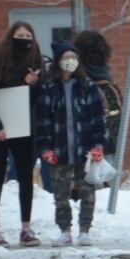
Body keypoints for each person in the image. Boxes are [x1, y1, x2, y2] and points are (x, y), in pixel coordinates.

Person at [0, 21, 43, 248]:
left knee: (26, 177)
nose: (24, 39)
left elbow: (35, 101)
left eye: (28, 35)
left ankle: (26, 228)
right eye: (19, 35)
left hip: (23, 129)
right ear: (10, 36)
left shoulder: (34, 61)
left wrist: (32, 85)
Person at [36, 41, 106, 247]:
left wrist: (98, 146)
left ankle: (85, 230)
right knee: (60, 194)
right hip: (58, 151)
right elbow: (42, 122)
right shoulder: (49, 88)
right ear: (58, 61)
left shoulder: (88, 86)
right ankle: (65, 230)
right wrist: (44, 148)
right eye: (66, 58)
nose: (70, 62)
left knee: (88, 192)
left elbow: (98, 119)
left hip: (86, 151)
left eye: (73, 58)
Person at [73, 30, 123, 193]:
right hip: (89, 141)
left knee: (109, 180)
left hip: (112, 138)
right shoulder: (79, 81)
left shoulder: (105, 75)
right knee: (92, 184)